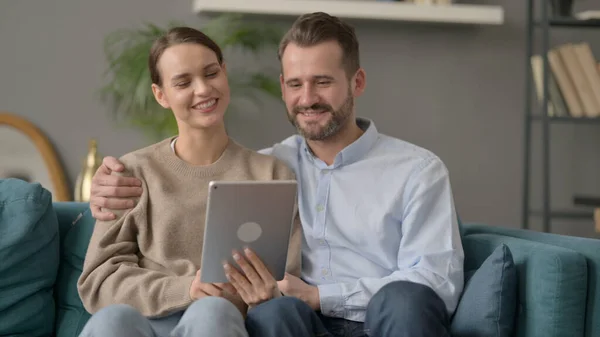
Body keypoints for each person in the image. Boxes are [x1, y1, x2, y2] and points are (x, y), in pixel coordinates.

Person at [89, 12, 464, 337]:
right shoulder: (267, 168)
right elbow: (207, 172)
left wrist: (320, 296)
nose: (308, 97)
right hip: (299, 321)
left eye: (323, 81)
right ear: (283, 88)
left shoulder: (417, 170)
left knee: (403, 299)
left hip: (388, 320)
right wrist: (102, 188)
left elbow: (437, 283)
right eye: (296, 84)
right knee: (275, 312)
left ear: (357, 82)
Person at [76, 26, 303, 337]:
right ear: (161, 95)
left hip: (224, 324)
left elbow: (288, 279)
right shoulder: (130, 173)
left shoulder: (271, 174)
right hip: (144, 322)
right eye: (183, 82)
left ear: (225, 73)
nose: (203, 89)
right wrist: (186, 289)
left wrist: (268, 293)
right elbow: (98, 281)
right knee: (111, 322)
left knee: (213, 311)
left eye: (211, 74)